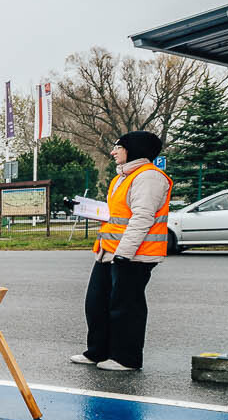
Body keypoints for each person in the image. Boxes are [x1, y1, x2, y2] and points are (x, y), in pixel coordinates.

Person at [73, 131, 173, 372]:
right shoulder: (123, 177)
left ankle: (126, 358)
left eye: (118, 147)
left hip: (134, 255)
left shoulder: (149, 177)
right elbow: (117, 214)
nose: (113, 152)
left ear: (134, 150)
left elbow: (142, 218)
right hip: (109, 251)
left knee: (126, 306)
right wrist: (86, 209)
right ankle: (98, 351)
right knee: (96, 303)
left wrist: (124, 254)